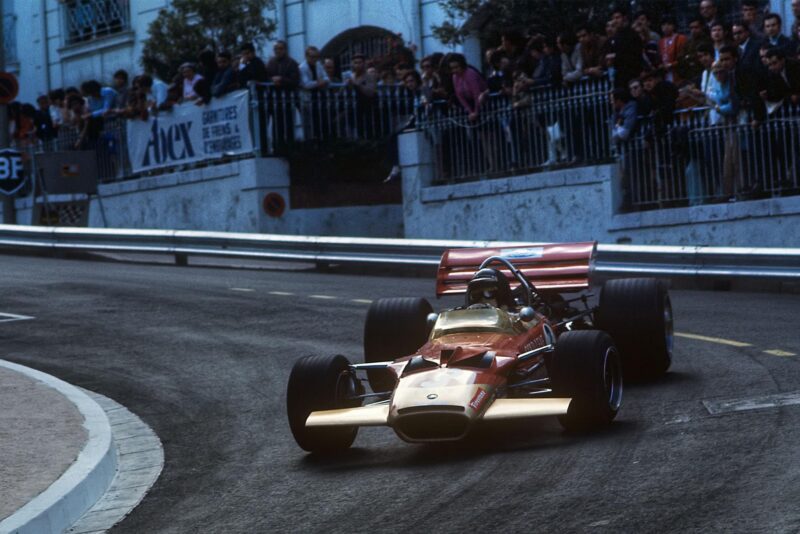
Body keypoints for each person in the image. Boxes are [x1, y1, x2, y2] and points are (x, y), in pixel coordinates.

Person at [264, 40, 300, 152]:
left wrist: (282, 80)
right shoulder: (270, 63)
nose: (278, 51)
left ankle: (289, 148)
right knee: (276, 125)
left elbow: (295, 80)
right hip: (274, 100)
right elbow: (265, 77)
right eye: (276, 49)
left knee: (288, 124)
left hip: (288, 99)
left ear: (285, 50)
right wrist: (271, 80)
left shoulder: (292, 63)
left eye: (280, 48)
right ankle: (277, 147)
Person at [607, 7, 644, 88]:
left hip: (633, 74)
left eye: (617, 17)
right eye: (613, 18)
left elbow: (635, 55)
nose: (615, 20)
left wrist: (616, 56)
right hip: (620, 76)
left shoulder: (632, 35)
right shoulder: (615, 37)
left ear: (624, 18)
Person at [299, 45, 330, 140]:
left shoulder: (318, 65)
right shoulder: (302, 68)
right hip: (307, 99)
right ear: (307, 56)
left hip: (319, 98)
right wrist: (319, 82)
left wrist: (319, 82)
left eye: (316, 57)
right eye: (312, 57)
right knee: (309, 123)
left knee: (321, 121)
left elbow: (326, 78)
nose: (314, 59)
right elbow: (306, 84)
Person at [659, 16, 687, 84]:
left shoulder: (681, 39)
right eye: (663, 25)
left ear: (673, 25)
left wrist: (671, 65)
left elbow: (683, 57)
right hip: (666, 74)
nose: (666, 27)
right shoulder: (661, 41)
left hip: (678, 72)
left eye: (668, 24)